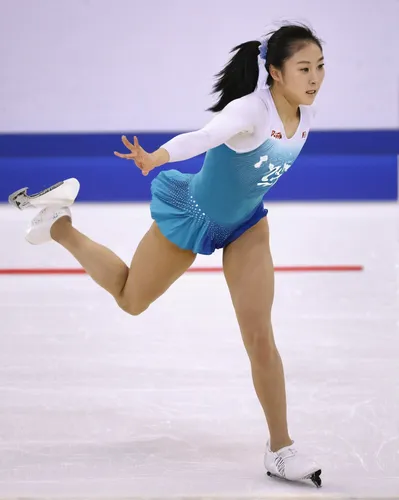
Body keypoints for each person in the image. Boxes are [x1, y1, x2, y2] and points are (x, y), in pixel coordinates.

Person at [9, 22, 325, 487]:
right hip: (194, 213)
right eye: (304, 68)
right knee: (131, 299)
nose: (315, 77)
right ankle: (59, 225)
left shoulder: (305, 114)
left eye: (320, 67)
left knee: (260, 334)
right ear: (275, 72)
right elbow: (205, 135)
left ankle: (280, 448)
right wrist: (158, 156)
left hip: (247, 226)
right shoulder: (249, 112)